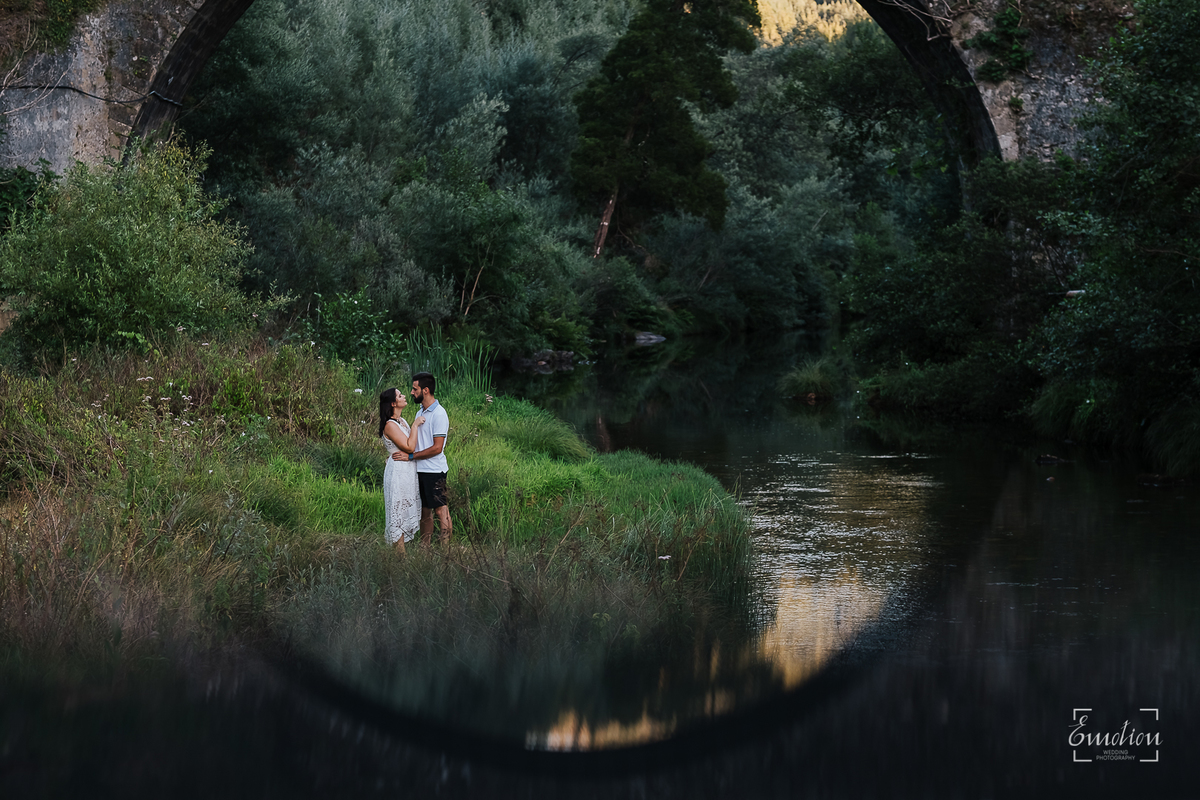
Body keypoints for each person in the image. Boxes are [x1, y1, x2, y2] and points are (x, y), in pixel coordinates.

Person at [407, 372, 451, 545]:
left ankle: (446, 549)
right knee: (425, 512)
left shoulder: (439, 414)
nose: (412, 392)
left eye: (414, 389)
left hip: (434, 470)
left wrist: (411, 456)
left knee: (440, 510)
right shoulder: (420, 413)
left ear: (425, 390)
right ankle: (424, 551)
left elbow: (437, 448)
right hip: (420, 470)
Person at [379, 387, 423, 552]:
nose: (404, 396)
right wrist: (416, 425)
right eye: (399, 395)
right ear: (393, 403)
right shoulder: (390, 425)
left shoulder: (402, 421)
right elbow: (410, 447)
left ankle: (402, 556)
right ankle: (400, 557)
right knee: (397, 513)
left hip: (408, 472)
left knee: (405, 512)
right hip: (398, 472)